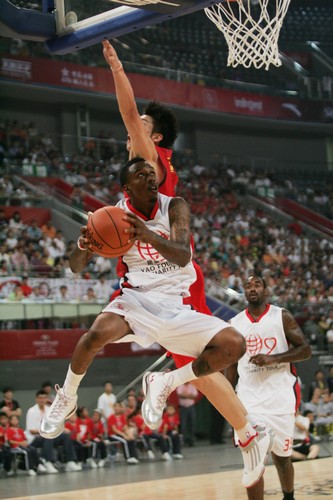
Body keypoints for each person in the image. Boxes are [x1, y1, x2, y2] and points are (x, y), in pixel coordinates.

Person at [40, 158, 273, 488]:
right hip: (135, 299)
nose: (150, 178)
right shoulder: (113, 216)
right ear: (127, 188)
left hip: (176, 305)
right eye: (141, 175)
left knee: (234, 345)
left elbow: (182, 254)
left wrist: (147, 234)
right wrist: (83, 244)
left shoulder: (174, 206)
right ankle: (67, 397)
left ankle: (165, 382)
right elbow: (77, 265)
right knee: (95, 335)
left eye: (152, 173)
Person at [102, 40, 275, 482]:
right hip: (161, 277)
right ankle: (245, 431)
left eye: (142, 125)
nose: (132, 128)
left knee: (193, 361)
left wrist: (118, 68)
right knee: (190, 365)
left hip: (174, 277)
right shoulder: (151, 168)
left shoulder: (149, 159)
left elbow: (127, 113)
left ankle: (245, 429)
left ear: (154, 136)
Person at [228, 274, 311, 500]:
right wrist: (227, 398)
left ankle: (289, 496)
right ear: (244, 291)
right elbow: (230, 366)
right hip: (249, 400)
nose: (252, 289)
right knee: (253, 461)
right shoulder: (235, 324)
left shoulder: (280, 316)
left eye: (257, 285)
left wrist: (273, 358)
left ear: (266, 290)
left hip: (280, 398)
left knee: (283, 459)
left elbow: (305, 350)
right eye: (248, 286)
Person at [26, 390, 81, 473]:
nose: (42, 400)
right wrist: (46, 431)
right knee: (48, 436)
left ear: (46, 399)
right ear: (36, 399)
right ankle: (48, 461)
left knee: (65, 436)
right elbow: (31, 431)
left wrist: (62, 429)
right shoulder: (31, 411)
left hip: (48, 437)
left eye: (44, 398)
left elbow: (55, 424)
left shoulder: (50, 409)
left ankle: (70, 461)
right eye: (40, 398)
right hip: (34, 439)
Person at [176, 382, 198, 447]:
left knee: (192, 424)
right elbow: (179, 395)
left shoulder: (192, 386)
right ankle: (184, 440)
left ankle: (191, 440)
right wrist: (189, 396)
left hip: (191, 407)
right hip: (183, 408)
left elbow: (195, 396)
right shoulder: (180, 386)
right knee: (183, 425)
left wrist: (185, 396)